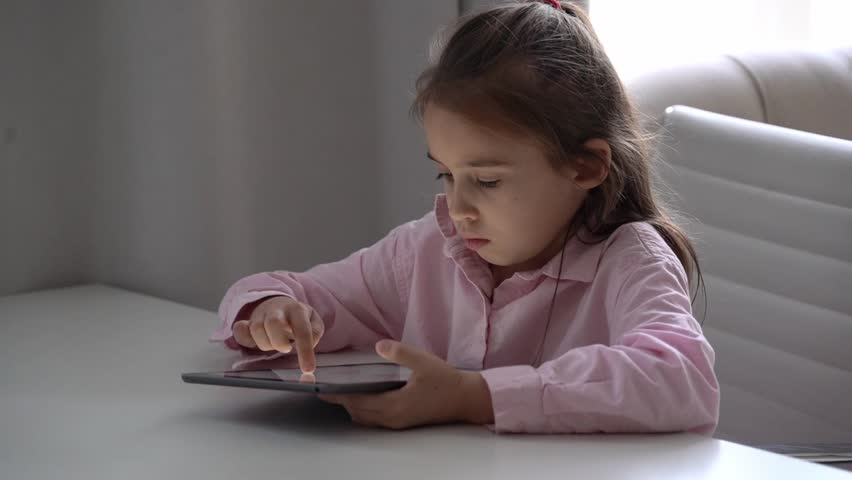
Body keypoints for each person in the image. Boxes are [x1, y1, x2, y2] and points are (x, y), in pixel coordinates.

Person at [209, 0, 720, 434]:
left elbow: (682, 376)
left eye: (488, 181)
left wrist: (472, 396)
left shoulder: (631, 258)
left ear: (584, 166)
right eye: (446, 176)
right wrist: (271, 310)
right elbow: (293, 290)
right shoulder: (426, 249)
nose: (458, 208)